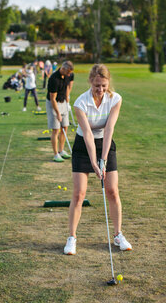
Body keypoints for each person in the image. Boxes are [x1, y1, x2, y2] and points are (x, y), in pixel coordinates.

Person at [64, 64, 132, 255]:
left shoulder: (115, 99)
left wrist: (103, 159)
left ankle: (118, 235)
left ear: (108, 83)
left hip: (106, 144)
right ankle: (72, 238)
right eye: (97, 86)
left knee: (112, 190)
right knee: (79, 194)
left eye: (103, 85)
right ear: (90, 83)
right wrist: (94, 162)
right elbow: (87, 133)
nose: (100, 90)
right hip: (83, 146)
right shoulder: (80, 103)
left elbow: (109, 129)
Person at [46, 60, 74, 162]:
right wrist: (57, 113)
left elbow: (67, 87)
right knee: (56, 129)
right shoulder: (53, 79)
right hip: (53, 104)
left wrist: (67, 99)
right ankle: (56, 154)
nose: (69, 74)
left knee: (65, 127)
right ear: (63, 69)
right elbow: (52, 98)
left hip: (63, 103)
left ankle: (61, 150)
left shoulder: (66, 76)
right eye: (68, 72)